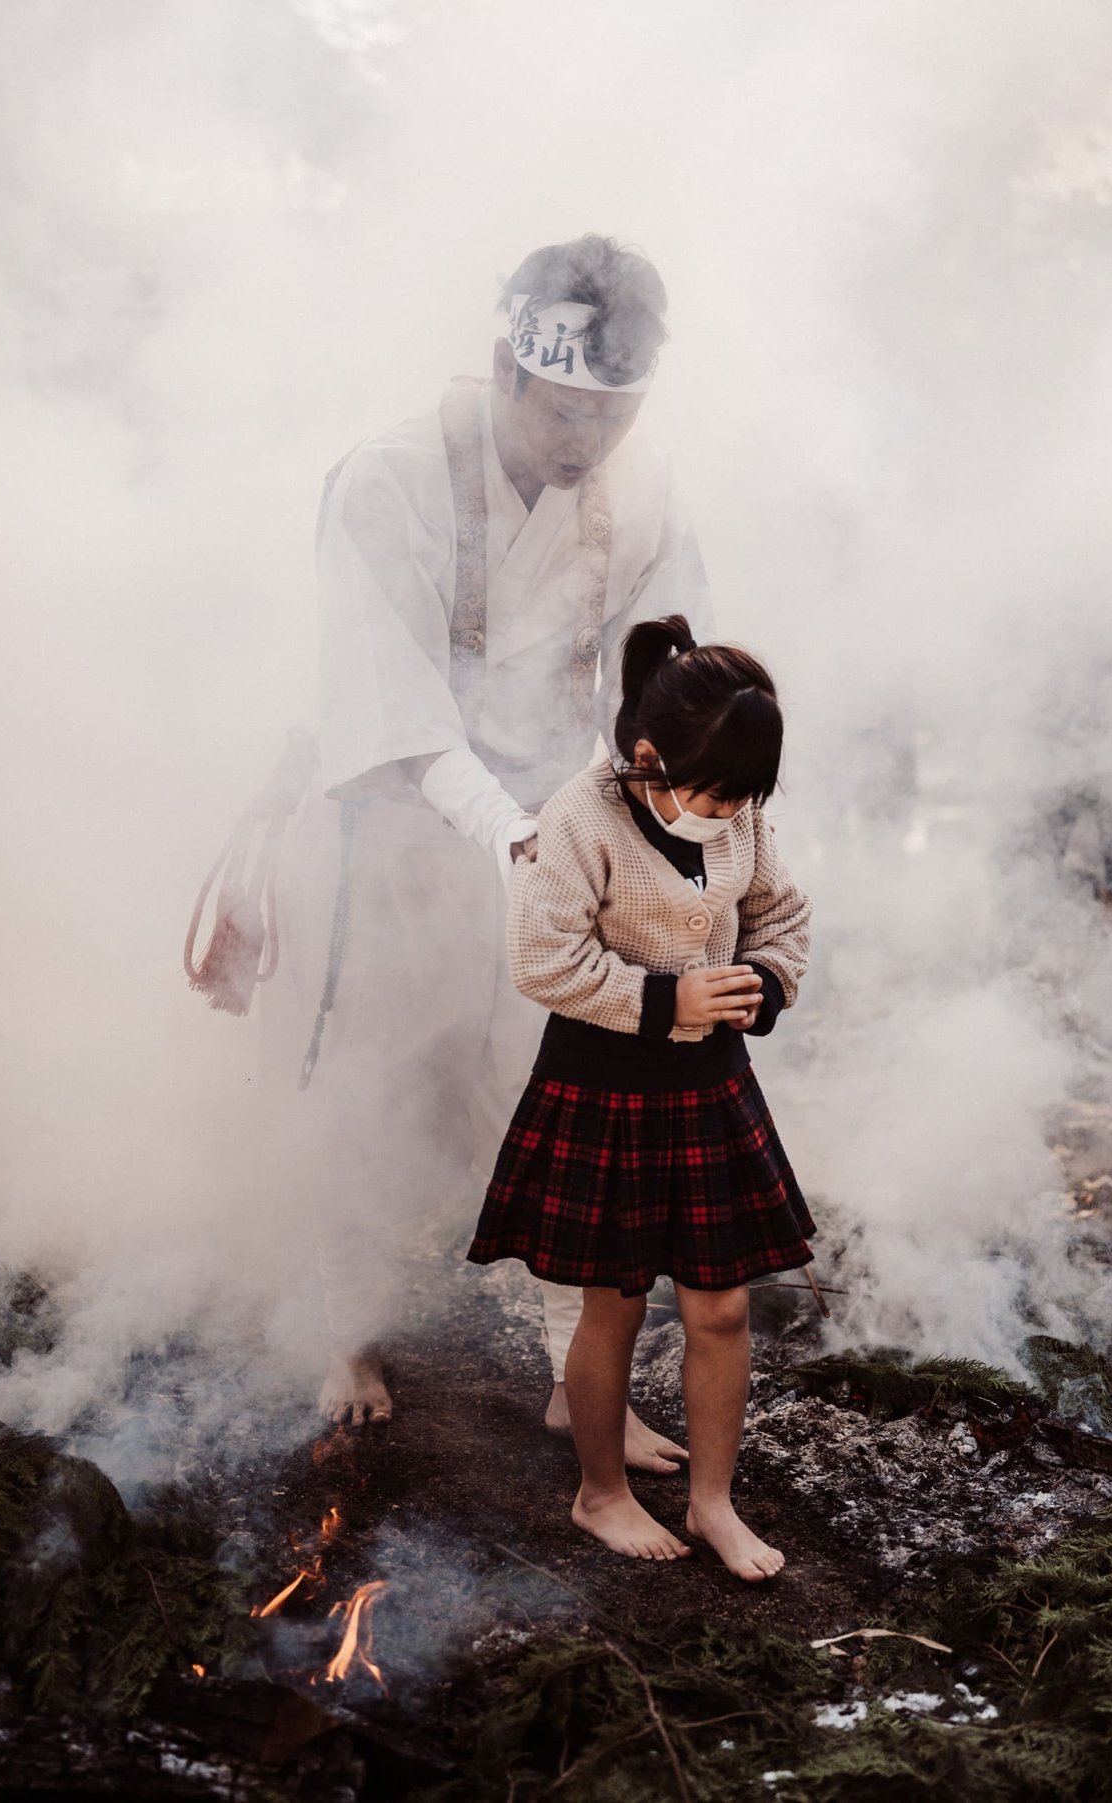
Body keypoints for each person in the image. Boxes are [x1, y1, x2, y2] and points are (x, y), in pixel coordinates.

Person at [299, 236, 714, 1469]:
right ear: (506, 371)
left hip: (561, 811)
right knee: (385, 1074)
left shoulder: (641, 492)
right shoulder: (388, 480)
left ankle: (570, 1375)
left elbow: (666, 674)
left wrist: (664, 808)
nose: (586, 443)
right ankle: (350, 1332)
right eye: (566, 411)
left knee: (574, 1088)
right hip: (410, 806)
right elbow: (391, 698)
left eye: (615, 414)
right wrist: (513, 831)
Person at [467, 614, 813, 1580]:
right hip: (602, 1087)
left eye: (744, 800)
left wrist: (765, 981)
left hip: (709, 1090)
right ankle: (600, 1493)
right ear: (649, 758)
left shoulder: (735, 807)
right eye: (712, 795)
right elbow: (543, 961)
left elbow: (780, 911)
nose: (728, 814)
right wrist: (668, 997)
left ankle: (711, 1502)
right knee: (611, 1306)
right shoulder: (578, 820)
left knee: (721, 1309)